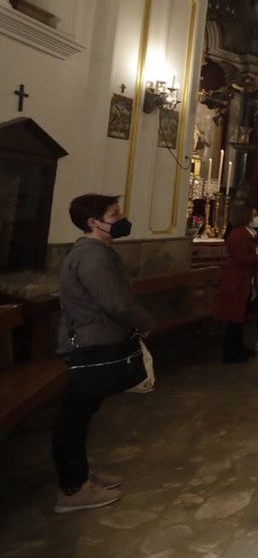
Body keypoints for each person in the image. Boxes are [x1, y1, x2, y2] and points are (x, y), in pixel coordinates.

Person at [52, 194, 155, 513]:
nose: (121, 217)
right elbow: (116, 302)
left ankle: (81, 475)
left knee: (80, 415)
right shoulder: (93, 256)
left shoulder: (96, 251)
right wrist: (144, 322)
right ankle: (72, 489)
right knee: (74, 418)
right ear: (93, 222)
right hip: (90, 345)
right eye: (114, 213)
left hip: (95, 341)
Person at [216, 205, 258, 363]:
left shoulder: (249, 234)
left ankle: (238, 346)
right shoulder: (238, 235)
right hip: (236, 281)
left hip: (245, 280)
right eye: (254, 214)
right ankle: (230, 352)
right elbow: (242, 259)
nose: (257, 217)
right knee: (234, 317)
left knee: (241, 316)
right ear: (245, 216)